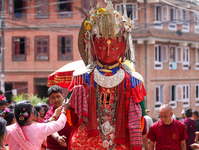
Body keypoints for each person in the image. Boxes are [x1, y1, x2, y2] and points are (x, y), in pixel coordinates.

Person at [67, 1, 147, 149]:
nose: (109, 52)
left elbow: (139, 120)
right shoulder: (80, 77)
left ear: (124, 48)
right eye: (102, 46)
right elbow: (72, 117)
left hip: (120, 139)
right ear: (92, 46)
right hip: (89, 138)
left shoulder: (135, 80)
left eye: (115, 47)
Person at [44, 85, 73, 150]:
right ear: (49, 99)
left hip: (70, 146)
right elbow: (50, 128)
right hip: (53, 147)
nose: (56, 100)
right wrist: (58, 137)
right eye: (53, 98)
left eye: (58, 97)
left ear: (63, 96)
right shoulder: (49, 114)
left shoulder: (71, 109)